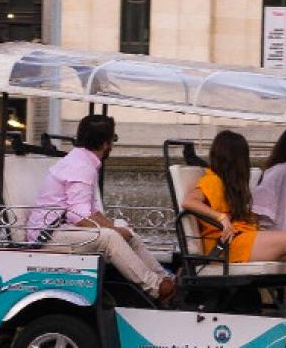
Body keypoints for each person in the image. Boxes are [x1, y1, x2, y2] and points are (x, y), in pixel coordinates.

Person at [27, 115, 175, 301]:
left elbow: (91, 212)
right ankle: (155, 288)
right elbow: (80, 216)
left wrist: (119, 229)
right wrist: (114, 231)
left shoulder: (82, 161)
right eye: (113, 139)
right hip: (48, 235)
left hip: (61, 227)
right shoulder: (81, 166)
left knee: (124, 230)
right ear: (105, 144)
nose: (112, 145)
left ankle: (164, 278)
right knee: (110, 238)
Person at [182, 130, 286, 289]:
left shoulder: (229, 184)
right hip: (225, 245)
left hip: (240, 238)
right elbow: (189, 202)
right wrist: (220, 217)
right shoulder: (212, 180)